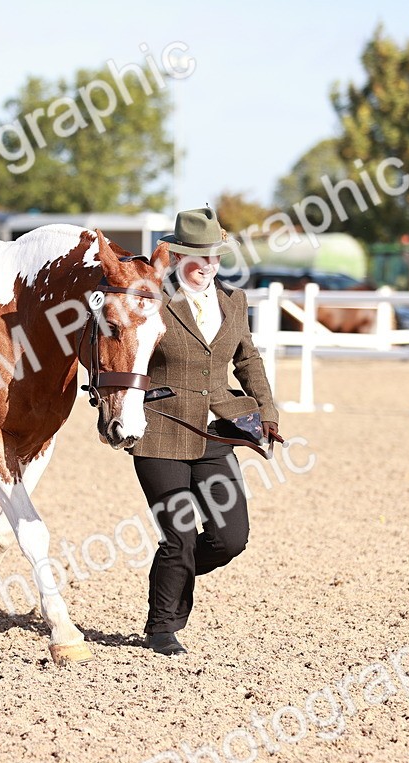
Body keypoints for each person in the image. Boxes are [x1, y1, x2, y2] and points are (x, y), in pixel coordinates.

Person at [130, 206, 282, 656]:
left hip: (216, 431)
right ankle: (162, 627)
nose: (209, 266)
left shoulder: (234, 301)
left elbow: (247, 359)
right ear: (177, 257)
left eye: (215, 257)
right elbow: (122, 351)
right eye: (199, 257)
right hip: (160, 430)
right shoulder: (150, 299)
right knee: (177, 536)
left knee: (230, 538)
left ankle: (169, 573)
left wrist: (268, 411)